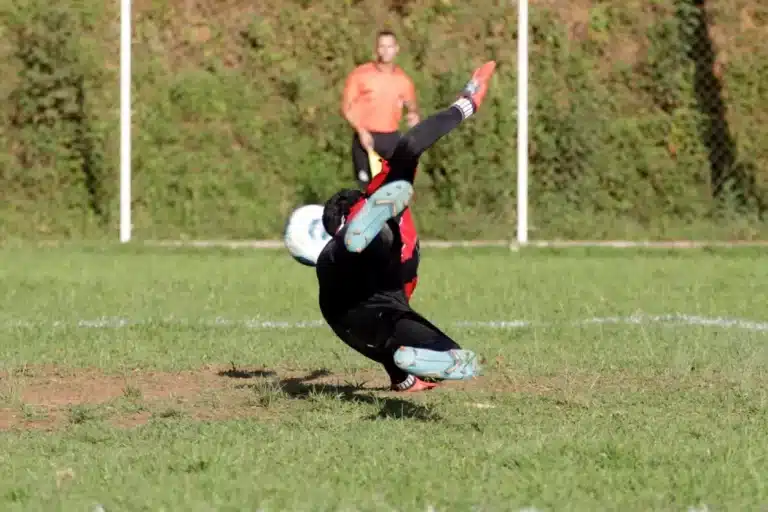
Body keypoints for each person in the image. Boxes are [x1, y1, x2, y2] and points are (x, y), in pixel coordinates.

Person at [317, 61, 497, 393]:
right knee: (382, 250)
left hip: (341, 309)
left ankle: (410, 373)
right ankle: (361, 234)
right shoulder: (380, 192)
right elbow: (413, 143)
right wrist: (467, 103)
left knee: (453, 357)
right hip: (382, 290)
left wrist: (402, 379)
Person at [341, 30, 420, 189]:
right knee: (367, 190)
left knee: (391, 189)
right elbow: (346, 108)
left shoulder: (403, 80)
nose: (385, 51)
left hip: (391, 140)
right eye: (382, 46)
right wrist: (361, 131)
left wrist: (413, 114)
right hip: (366, 138)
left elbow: (411, 104)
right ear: (376, 49)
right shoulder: (361, 75)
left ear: (396, 49)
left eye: (389, 47)